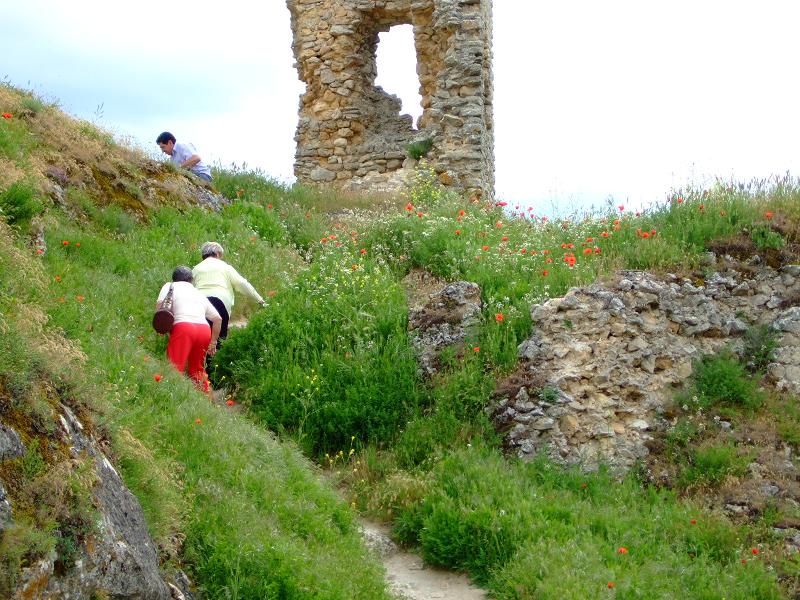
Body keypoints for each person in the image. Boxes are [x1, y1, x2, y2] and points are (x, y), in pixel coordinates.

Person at [156, 266, 222, 390]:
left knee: (174, 367)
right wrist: (213, 342)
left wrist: (160, 326)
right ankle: (206, 399)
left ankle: (170, 393)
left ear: (174, 278)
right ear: (191, 280)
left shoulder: (170, 286)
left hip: (183, 328)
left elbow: (160, 305)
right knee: (197, 370)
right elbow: (218, 319)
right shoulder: (198, 293)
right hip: (204, 330)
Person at [192, 241, 265, 348]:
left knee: (202, 333)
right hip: (221, 300)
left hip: (201, 301)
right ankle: (214, 361)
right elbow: (242, 283)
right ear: (217, 253)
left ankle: (199, 359)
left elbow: (189, 288)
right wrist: (259, 299)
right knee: (219, 335)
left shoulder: (196, 269)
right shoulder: (225, 267)